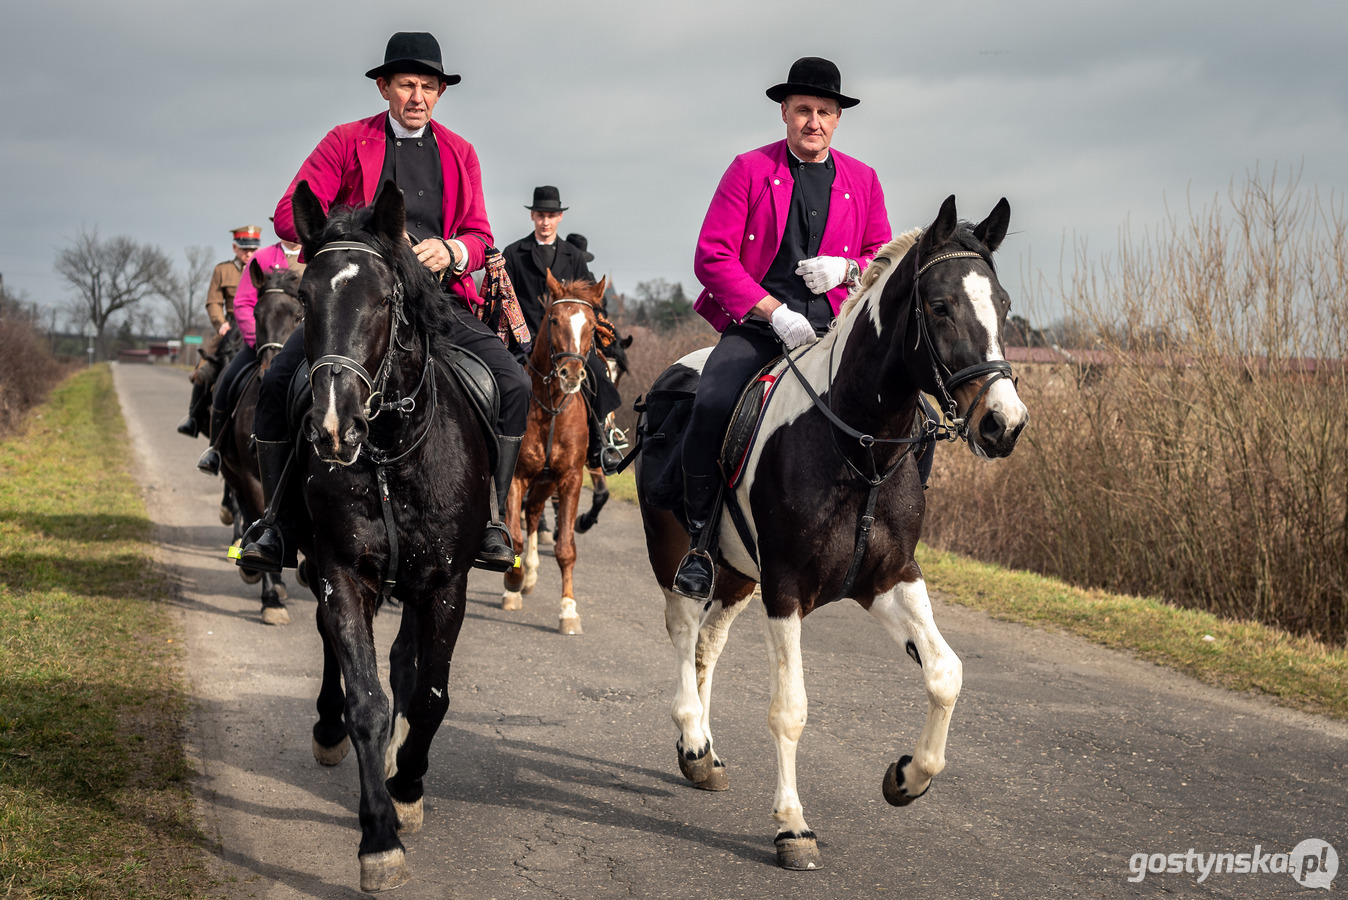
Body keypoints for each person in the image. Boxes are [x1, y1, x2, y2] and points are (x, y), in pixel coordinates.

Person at [237, 31, 529, 574]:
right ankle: (275, 523)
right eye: (406, 85)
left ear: (439, 93)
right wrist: (352, 236)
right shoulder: (345, 140)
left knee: (514, 383)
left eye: (428, 86)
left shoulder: (461, 152)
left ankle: (493, 519)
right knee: (278, 382)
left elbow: (481, 234)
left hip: (435, 303)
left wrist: (451, 249)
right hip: (358, 303)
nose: (417, 96)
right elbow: (287, 215)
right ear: (383, 88)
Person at [673, 57, 892, 600]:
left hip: (837, 330)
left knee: (908, 408)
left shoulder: (863, 180)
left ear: (838, 118)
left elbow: (882, 259)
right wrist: (774, 310)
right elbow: (712, 257)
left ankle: (887, 533)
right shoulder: (747, 170)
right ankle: (700, 545)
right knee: (712, 402)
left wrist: (848, 270)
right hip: (759, 325)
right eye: (802, 111)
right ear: (784, 113)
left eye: (823, 112)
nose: (812, 121)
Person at [503, 190, 622, 471]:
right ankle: (496, 449)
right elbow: (506, 299)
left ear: (560, 217)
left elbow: (594, 299)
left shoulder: (574, 256)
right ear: (532, 216)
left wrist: (597, 321)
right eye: (541, 215)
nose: (546, 221)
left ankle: (599, 445)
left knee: (598, 376)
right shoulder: (513, 253)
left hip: (568, 344)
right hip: (525, 343)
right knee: (500, 384)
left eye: (551, 215)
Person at [195, 238, 302, 475]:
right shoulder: (262, 257)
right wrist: (258, 340)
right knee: (225, 380)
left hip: (301, 341)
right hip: (262, 337)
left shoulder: (315, 253)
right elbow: (242, 302)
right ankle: (215, 449)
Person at [177, 226, 259, 437]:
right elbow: (213, 302)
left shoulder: (264, 267)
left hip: (258, 326)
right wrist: (220, 323)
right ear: (234, 247)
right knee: (205, 369)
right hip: (230, 328)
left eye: (252, 249)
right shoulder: (222, 270)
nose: (248, 254)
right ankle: (194, 418)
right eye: (244, 249)